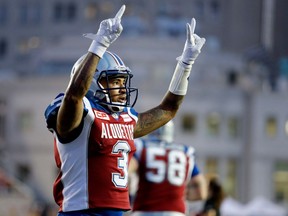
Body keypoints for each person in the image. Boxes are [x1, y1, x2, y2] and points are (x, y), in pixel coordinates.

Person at [44, 4, 206, 216]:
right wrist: (99, 44)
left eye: (123, 81)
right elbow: (74, 95)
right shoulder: (81, 115)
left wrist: (185, 64)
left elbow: (169, 109)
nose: (122, 88)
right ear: (93, 83)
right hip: (81, 212)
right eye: (114, 81)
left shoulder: (125, 119)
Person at [129, 121, 207, 216]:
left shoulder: (141, 146)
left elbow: (126, 171)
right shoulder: (185, 151)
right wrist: (179, 195)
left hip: (146, 209)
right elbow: (202, 192)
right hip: (175, 211)